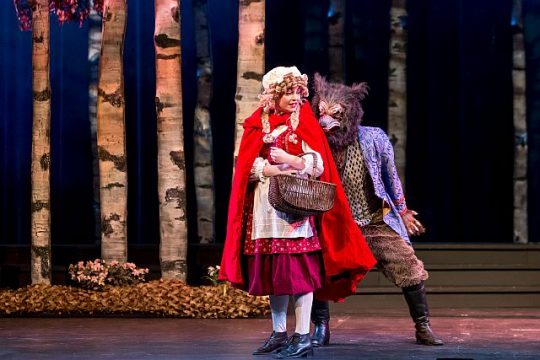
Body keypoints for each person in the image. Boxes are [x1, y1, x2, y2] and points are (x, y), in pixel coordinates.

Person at [219, 67, 376, 358]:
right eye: (287, 93)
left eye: (297, 92)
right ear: (273, 95)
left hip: (295, 214)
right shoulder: (258, 123)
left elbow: (318, 164)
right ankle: (279, 333)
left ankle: (303, 336)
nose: (294, 98)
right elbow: (244, 166)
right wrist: (269, 167)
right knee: (273, 275)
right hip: (264, 213)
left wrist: (291, 159)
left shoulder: (303, 122)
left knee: (299, 275)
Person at [310, 73, 444, 347]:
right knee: (319, 268)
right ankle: (321, 327)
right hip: (336, 225)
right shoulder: (314, 143)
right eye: (322, 111)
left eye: (335, 113)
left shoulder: (373, 138)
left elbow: (390, 176)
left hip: (373, 221)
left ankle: (423, 325)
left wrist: (403, 210)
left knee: (408, 265)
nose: (327, 119)